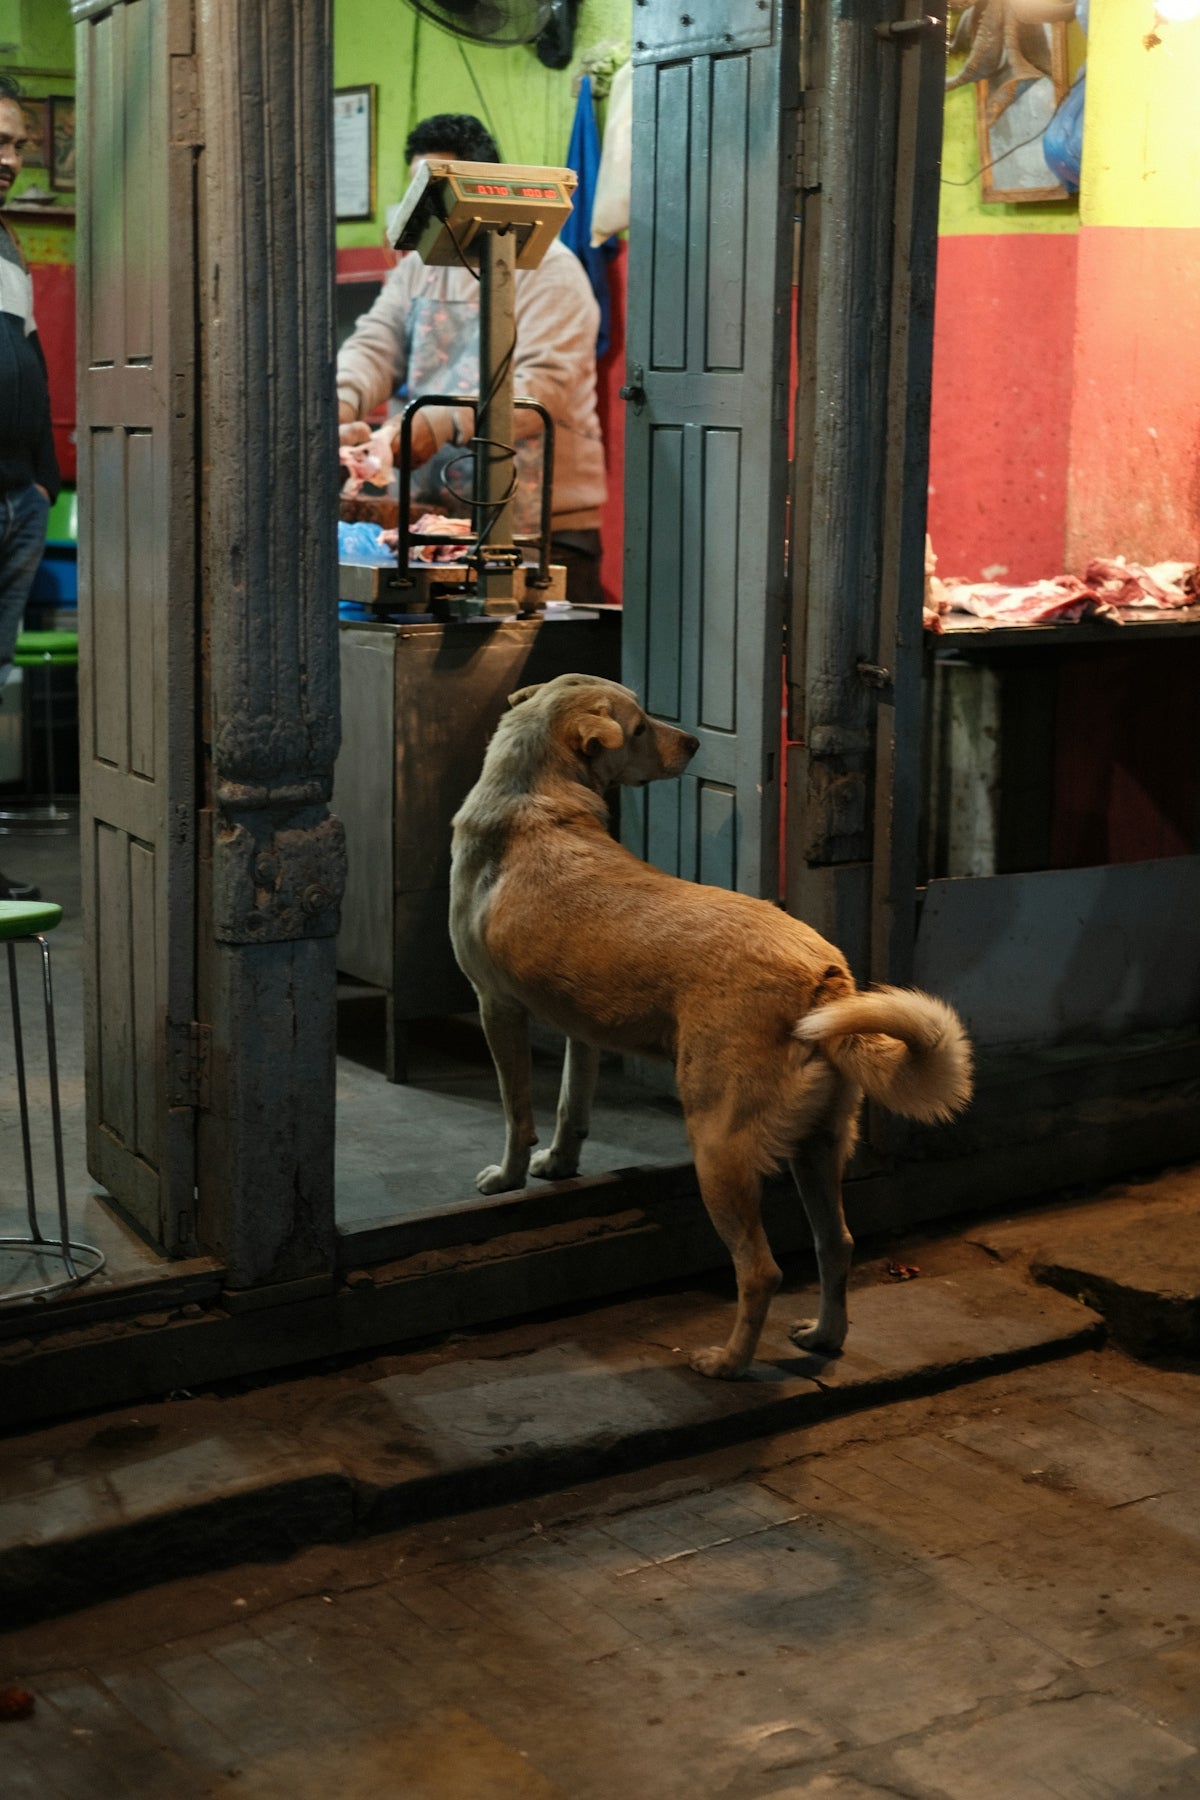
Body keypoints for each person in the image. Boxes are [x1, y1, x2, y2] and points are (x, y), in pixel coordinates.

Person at [337, 113, 606, 604]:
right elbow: (374, 345)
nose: (426, 212)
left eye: (438, 195)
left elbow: (536, 391)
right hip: (436, 524)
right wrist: (336, 405)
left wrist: (434, 424)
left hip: (544, 534)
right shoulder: (418, 269)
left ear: (481, 190)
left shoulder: (552, 274)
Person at [0, 74, 61, 901]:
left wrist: (43, 483)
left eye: (15, 142)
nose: (7, 157)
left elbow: (33, 361)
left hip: (17, 500)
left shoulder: (9, 246)